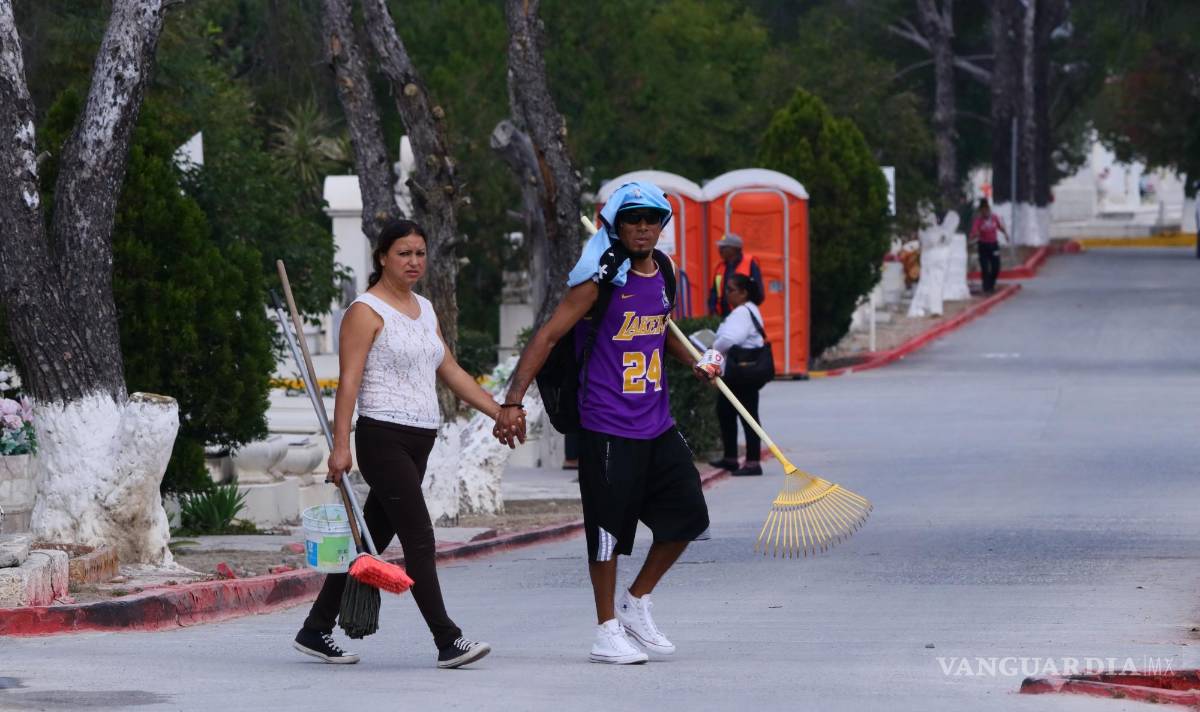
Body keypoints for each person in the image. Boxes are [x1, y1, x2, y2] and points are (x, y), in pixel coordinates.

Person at [493, 181, 715, 665]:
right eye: (632, 219)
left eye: (651, 219)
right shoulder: (600, 277)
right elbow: (549, 336)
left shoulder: (665, 273)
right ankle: (605, 630)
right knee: (607, 532)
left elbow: (662, 332)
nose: (642, 227)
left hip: (656, 422)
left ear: (662, 226)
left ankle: (636, 602)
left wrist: (695, 360)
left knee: (689, 517)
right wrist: (512, 401)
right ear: (616, 225)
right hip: (607, 425)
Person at [293, 219, 503, 669]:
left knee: (368, 544)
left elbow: (451, 370)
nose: (414, 262)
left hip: (419, 439)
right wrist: (340, 445)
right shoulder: (365, 311)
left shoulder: (424, 308)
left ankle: (315, 629)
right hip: (381, 436)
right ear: (382, 257)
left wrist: (498, 411)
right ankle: (448, 640)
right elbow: (348, 382)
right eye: (404, 253)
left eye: (420, 253)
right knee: (419, 538)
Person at [706, 274, 766, 477]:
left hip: (743, 371)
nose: (727, 294)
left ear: (743, 293)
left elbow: (732, 338)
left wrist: (714, 345)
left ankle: (752, 462)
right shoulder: (748, 310)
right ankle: (731, 457)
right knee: (725, 410)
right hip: (742, 371)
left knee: (748, 416)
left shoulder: (742, 311)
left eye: (730, 290)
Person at [707, 233, 764, 316]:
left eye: (723, 247)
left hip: (743, 315)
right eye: (719, 247)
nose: (720, 250)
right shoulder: (719, 268)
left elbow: (759, 294)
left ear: (734, 249)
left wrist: (746, 310)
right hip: (722, 316)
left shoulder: (750, 264)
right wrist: (712, 310)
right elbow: (714, 292)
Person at [968, 198, 1009, 295]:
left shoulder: (994, 218)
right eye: (983, 211)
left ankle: (991, 284)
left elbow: (1000, 227)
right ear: (980, 211)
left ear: (989, 210)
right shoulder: (978, 221)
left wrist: (1006, 234)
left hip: (994, 245)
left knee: (996, 267)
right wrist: (974, 235)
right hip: (983, 246)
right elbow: (974, 232)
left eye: (987, 210)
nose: (985, 213)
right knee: (985, 268)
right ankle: (986, 288)